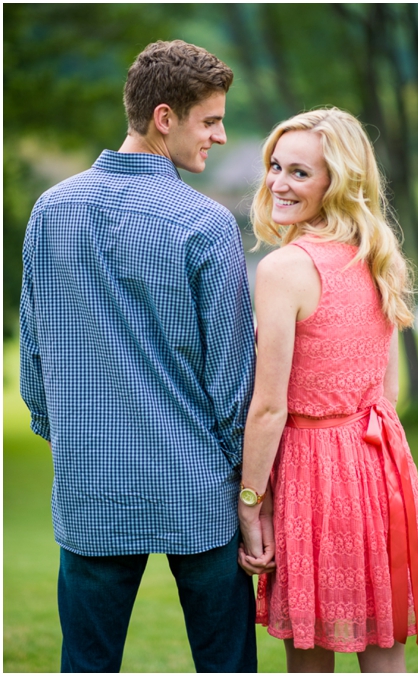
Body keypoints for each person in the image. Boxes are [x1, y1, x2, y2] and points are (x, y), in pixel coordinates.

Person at [18, 40, 257, 672]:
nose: (222, 135)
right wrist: (239, 477)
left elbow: (34, 366)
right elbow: (233, 386)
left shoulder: (50, 213)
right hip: (198, 491)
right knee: (226, 664)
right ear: (164, 118)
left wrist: (72, 440)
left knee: (87, 664)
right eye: (210, 120)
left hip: (88, 488)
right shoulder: (204, 225)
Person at [236, 108, 418, 673]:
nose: (278, 182)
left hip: (312, 472)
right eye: (275, 166)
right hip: (380, 465)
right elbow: (388, 391)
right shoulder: (380, 258)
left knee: (310, 660)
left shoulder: (284, 269)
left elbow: (270, 405)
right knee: (385, 656)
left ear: (338, 181)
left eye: (300, 172)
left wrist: (252, 501)